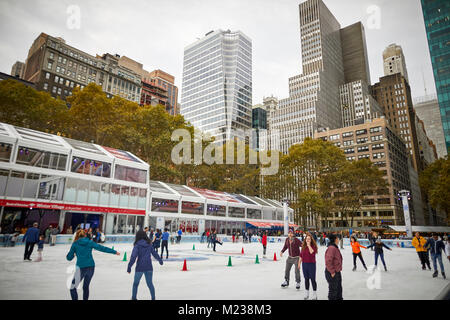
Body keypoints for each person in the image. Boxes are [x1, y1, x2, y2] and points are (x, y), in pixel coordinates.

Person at [66, 229, 120, 300]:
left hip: (81, 268)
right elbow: (101, 248)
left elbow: (69, 258)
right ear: (85, 235)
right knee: (85, 287)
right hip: (91, 267)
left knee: (73, 288)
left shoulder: (75, 244)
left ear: (77, 236)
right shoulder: (89, 242)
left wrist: (74, 254)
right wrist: (114, 252)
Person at [127, 230, 163, 300]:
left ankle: (134, 298)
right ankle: (153, 298)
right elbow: (154, 253)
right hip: (149, 267)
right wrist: (160, 260)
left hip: (140, 267)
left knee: (135, 284)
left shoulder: (137, 245)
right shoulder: (149, 244)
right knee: (150, 284)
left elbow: (133, 256)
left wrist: (129, 266)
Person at [299, 232, 318, 300]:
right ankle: (307, 293)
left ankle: (314, 294)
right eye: (307, 239)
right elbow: (301, 256)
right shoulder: (303, 247)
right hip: (304, 264)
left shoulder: (314, 246)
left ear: (311, 240)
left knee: (313, 279)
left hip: (311, 264)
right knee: (306, 279)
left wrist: (309, 245)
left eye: (309, 239)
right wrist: (299, 263)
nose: (307, 240)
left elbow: (312, 252)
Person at [325, 234, 343, 300]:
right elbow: (328, 261)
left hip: (336, 271)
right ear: (335, 239)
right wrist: (332, 272)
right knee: (333, 291)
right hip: (332, 272)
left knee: (338, 289)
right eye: (338, 238)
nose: (338, 240)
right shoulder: (332, 248)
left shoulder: (334, 247)